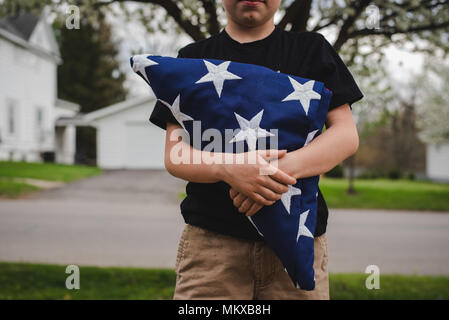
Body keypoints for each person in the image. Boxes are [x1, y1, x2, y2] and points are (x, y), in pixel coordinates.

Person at [149, 0, 363, 300]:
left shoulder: (312, 50)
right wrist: (230, 169)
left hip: (298, 242)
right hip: (212, 248)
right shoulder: (193, 58)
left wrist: (270, 174)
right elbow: (176, 154)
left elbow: (345, 135)